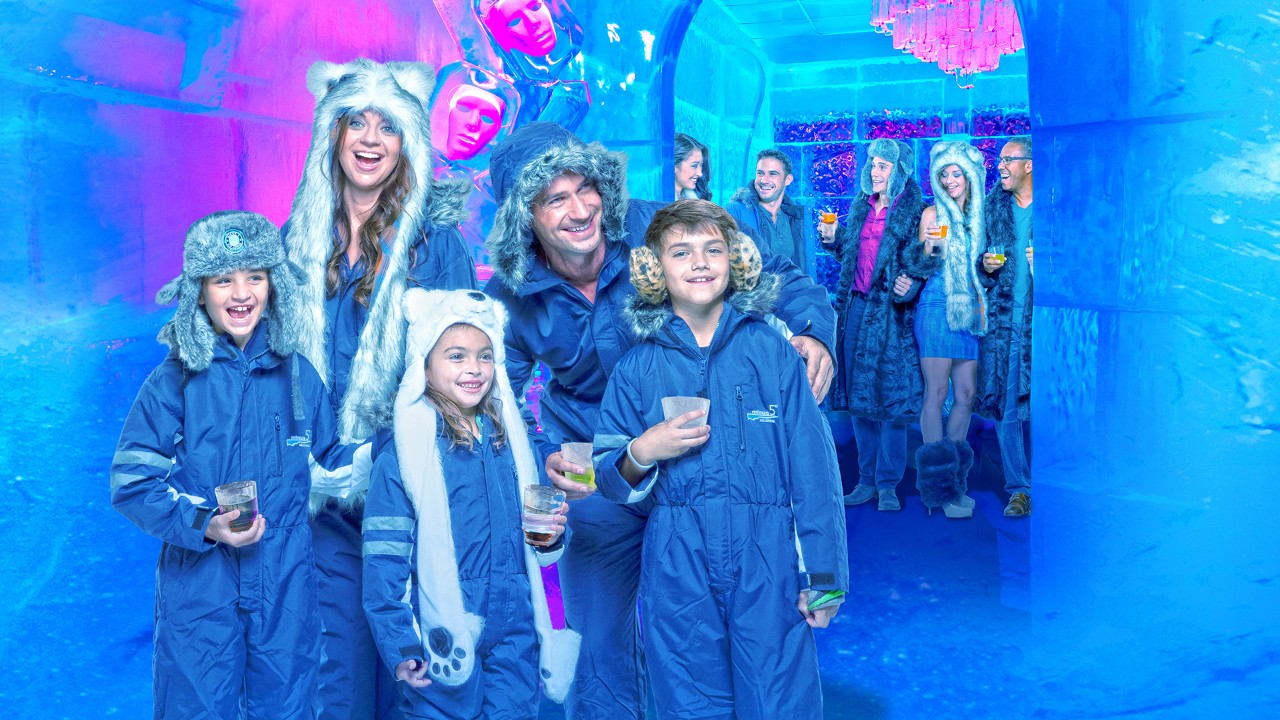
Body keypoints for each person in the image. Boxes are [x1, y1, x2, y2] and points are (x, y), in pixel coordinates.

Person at [482, 121, 836, 720]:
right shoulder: (509, 293)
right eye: (555, 197)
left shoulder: (658, 227)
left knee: (717, 633)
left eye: (585, 187)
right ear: (527, 217)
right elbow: (496, 392)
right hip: (600, 469)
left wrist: (813, 334)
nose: (579, 208)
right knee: (599, 644)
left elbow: (768, 268)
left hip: (701, 456)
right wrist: (540, 448)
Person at [593, 199, 848, 716]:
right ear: (654, 269)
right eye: (681, 252)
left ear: (737, 260)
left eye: (713, 249)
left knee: (778, 699)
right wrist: (644, 449)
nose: (699, 263)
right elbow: (609, 476)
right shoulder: (638, 367)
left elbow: (813, 475)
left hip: (768, 560)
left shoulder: (773, 354)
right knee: (688, 701)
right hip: (675, 561)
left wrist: (823, 581)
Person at [110, 211, 369, 719]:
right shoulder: (176, 381)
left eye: (254, 276)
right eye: (222, 279)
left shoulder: (297, 373)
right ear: (199, 292)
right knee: (198, 706)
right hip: (200, 585)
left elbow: (333, 458)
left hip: (286, 576)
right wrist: (205, 524)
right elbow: (132, 482)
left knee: (288, 705)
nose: (240, 292)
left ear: (274, 284)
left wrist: (388, 451)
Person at [284, 58, 478, 720]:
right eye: (355, 122)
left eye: (388, 127)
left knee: (415, 679)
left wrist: (393, 463)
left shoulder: (435, 246)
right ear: (331, 136)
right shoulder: (297, 243)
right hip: (320, 505)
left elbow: (459, 373)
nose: (369, 139)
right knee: (334, 679)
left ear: (408, 144)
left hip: (409, 497)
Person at [362, 288, 580, 719]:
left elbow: (548, 543)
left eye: (484, 356)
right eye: (456, 356)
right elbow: (384, 558)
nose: (474, 369)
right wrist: (400, 641)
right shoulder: (406, 452)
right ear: (425, 362)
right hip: (442, 622)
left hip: (516, 620)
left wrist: (554, 535)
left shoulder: (513, 444)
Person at [818, 139, 927, 512]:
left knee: (890, 400)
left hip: (891, 314)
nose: (876, 172)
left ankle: (888, 483)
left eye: (884, 166)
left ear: (899, 171)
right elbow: (852, 251)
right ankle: (865, 480)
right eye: (873, 165)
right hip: (856, 308)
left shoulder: (915, 211)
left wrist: (912, 281)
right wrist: (834, 241)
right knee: (858, 398)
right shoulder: (860, 205)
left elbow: (927, 256)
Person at [907, 140, 990, 519]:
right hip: (937, 306)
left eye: (957, 173)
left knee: (967, 394)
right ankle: (938, 490)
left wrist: (989, 268)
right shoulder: (931, 213)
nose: (951, 179)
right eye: (945, 174)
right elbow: (921, 264)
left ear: (970, 176)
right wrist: (931, 247)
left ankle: (954, 482)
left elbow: (982, 268)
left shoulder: (979, 216)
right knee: (936, 392)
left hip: (969, 311)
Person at [978, 136, 1034, 517]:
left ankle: (1060, 483)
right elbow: (979, 264)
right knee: (1007, 407)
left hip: (1048, 326)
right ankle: (1020, 488)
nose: (1000, 166)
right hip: (1005, 326)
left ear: (1028, 164)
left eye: (1008, 160)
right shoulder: (993, 208)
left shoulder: (1055, 207)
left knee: (1052, 407)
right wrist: (986, 266)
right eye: (999, 160)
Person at [726, 148, 807, 270]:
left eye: (772, 174)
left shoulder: (794, 218)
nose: (764, 180)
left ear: (788, 180)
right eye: (760, 173)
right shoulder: (735, 212)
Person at [673, 132, 710, 200]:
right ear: (674, 165)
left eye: (701, 165)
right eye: (694, 166)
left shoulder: (695, 200)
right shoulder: (659, 203)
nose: (700, 173)